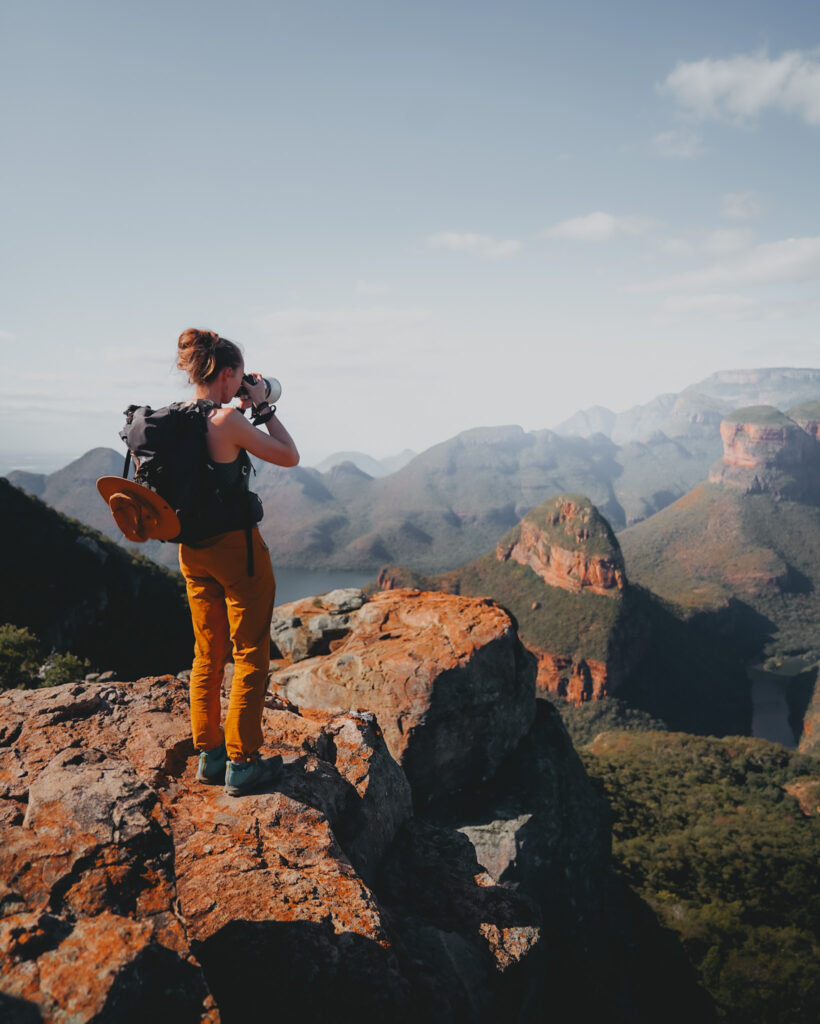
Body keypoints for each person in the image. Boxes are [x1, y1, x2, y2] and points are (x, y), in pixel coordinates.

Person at [175, 328, 299, 796]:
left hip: (192, 550)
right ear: (227, 374)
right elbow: (289, 455)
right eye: (241, 377)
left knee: (208, 653)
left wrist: (242, 406)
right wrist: (263, 408)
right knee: (250, 653)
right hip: (236, 551)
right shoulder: (228, 421)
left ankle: (209, 756)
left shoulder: (182, 418)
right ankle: (243, 763)